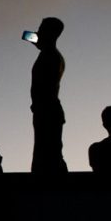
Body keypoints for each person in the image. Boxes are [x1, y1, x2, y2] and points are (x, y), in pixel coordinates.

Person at [29, 17, 68, 174]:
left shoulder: (51, 55)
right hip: (45, 110)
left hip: (47, 110)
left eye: (41, 29)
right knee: (46, 152)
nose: (38, 32)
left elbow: (44, 86)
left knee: (48, 154)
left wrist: (38, 105)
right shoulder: (49, 53)